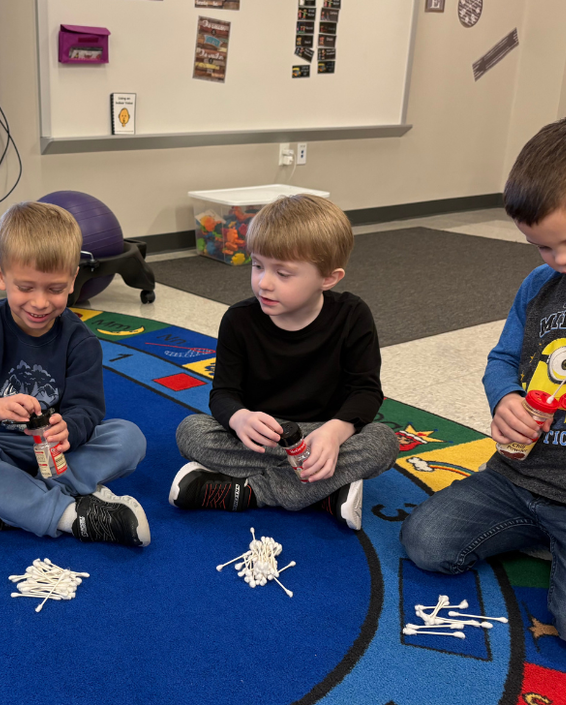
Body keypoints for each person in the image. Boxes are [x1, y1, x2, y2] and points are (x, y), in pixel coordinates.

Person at [401, 114, 566, 659]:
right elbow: (502, 359)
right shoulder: (541, 284)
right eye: (542, 246)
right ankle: (546, 537)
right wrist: (506, 399)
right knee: (424, 544)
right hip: (520, 477)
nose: (561, 259)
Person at [169, 194, 398, 530]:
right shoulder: (239, 320)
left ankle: (251, 492)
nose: (264, 282)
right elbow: (223, 393)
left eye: (283, 273)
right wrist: (239, 418)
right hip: (262, 437)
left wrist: (335, 433)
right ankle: (324, 491)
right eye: (257, 265)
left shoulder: (353, 316)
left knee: (383, 442)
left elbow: (365, 391)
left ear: (328, 278)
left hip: (320, 434)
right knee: (190, 432)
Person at [0, 201, 150, 546]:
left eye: (54, 289)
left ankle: (2, 504)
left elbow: (88, 409)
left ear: (73, 280)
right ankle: (70, 516)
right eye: (25, 287)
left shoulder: (81, 341)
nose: (39, 303)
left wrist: (70, 429)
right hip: (0, 445)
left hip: (60, 453)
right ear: (1, 276)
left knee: (129, 437)